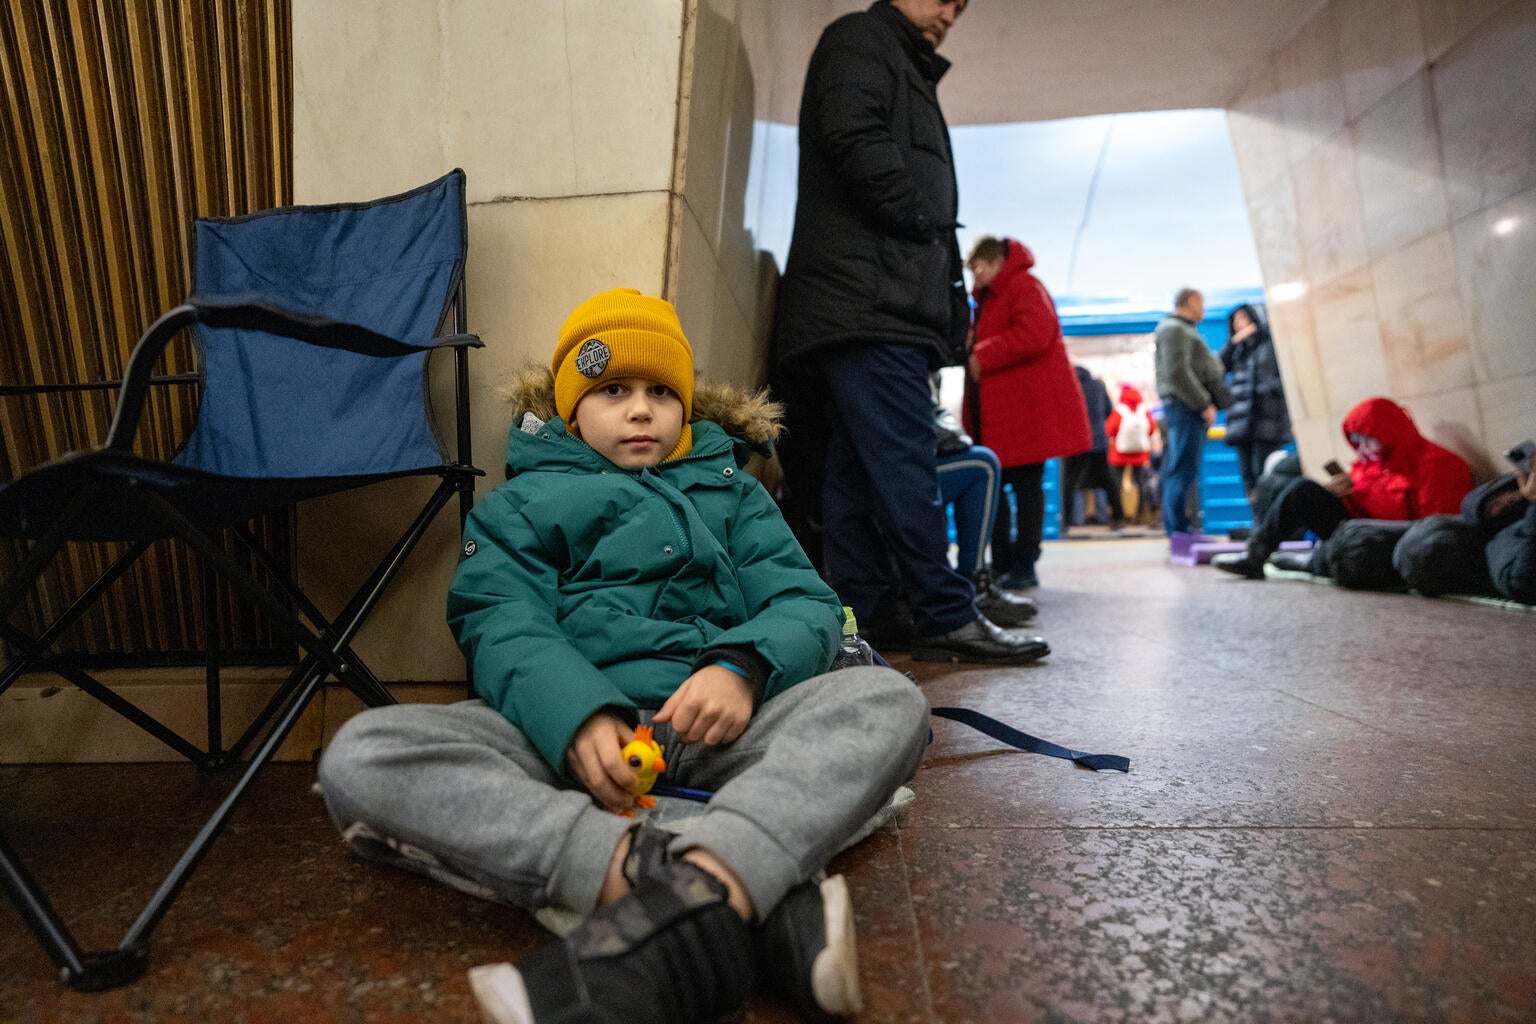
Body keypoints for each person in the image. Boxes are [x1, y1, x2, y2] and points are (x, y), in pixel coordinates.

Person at [317, 289, 932, 1024]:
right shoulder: (519, 507)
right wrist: (575, 718)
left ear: (684, 409)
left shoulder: (734, 495)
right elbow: (501, 620)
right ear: (573, 411)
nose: (641, 410)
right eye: (613, 391)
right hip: (575, 742)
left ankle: (662, 891)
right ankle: (711, 885)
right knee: (365, 754)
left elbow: (806, 603)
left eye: (661, 393)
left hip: (723, 724)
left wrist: (741, 668)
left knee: (887, 701)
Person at [772, 0, 1047, 664]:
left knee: (853, 472)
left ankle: (871, 609)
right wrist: (925, 219)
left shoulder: (894, 57)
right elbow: (854, 136)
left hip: (864, 301)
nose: (952, 12)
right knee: (905, 463)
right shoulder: (863, 39)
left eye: (961, 4)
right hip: (869, 302)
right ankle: (947, 611)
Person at [1214, 396, 1472, 580]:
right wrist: (1343, 496)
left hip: (1390, 538)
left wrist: (1362, 499)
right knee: (1303, 489)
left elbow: (1433, 527)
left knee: (1357, 548)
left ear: (1388, 434)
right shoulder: (1369, 464)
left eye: (1366, 439)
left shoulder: (1436, 465)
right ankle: (1256, 552)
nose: (1361, 448)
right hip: (1355, 528)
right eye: (1356, 441)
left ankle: (1316, 562)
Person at [964, 236, 1091, 589]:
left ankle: (1023, 564)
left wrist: (983, 354)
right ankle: (1004, 562)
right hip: (1001, 416)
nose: (975, 275)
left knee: (1025, 488)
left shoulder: (1023, 285)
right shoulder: (990, 298)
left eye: (978, 267)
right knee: (1000, 489)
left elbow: (1035, 333)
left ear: (994, 261)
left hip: (1022, 414)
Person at [1387, 470, 1536, 603]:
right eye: (1494, 506)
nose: (1507, 499)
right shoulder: (1503, 542)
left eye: (1504, 493)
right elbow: (1520, 583)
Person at [1153, 288, 1231, 536]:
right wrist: (1203, 403)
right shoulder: (1175, 329)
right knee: (1182, 470)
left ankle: (1178, 528)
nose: (1204, 309)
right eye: (1201, 303)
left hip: (1183, 407)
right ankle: (1179, 530)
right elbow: (1178, 372)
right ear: (1191, 301)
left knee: (1179, 469)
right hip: (1185, 408)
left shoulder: (1178, 329)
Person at [1219, 303, 1291, 506]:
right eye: (1235, 320)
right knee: (1249, 479)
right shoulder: (1237, 350)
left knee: (1265, 477)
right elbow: (1217, 369)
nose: (1238, 324)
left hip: (1267, 421)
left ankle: (1269, 526)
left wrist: (1272, 391)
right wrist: (1233, 343)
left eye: (1243, 318)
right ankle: (1259, 526)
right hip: (1241, 423)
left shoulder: (1271, 344)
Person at [1063, 365, 1124, 532]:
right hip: (1097, 440)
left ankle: (1066, 521)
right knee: (1108, 480)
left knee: (1070, 482)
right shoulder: (1098, 385)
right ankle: (1118, 517)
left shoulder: (1068, 383)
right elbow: (1109, 410)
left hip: (1075, 441)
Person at [1106, 384, 1157, 525]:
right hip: (1140, 452)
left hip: (1119, 452)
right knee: (1140, 483)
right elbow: (1152, 429)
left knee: (1117, 485)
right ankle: (1141, 516)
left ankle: (1119, 516)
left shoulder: (1119, 410)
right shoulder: (1144, 410)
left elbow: (1110, 429)